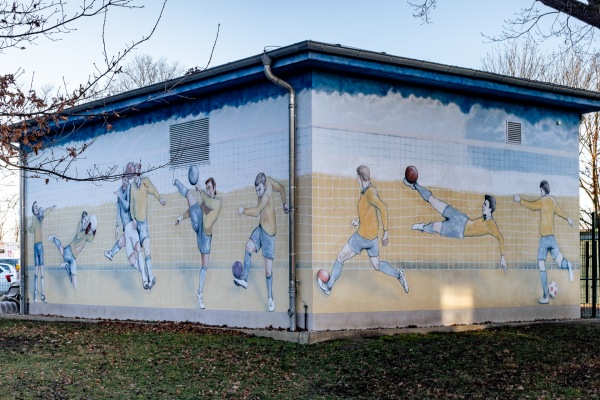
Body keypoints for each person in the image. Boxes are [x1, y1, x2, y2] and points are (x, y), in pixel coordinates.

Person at [317, 165, 409, 296]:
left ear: (360, 177)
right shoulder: (370, 190)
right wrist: (358, 220)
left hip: (361, 237)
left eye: (357, 177)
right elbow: (369, 212)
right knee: (377, 265)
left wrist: (386, 232)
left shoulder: (369, 194)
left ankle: (328, 286)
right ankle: (398, 274)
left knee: (340, 257)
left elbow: (383, 207)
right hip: (372, 239)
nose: (356, 180)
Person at [405, 176, 507, 273]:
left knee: (434, 226)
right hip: (461, 218)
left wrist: (502, 257)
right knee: (433, 201)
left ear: (490, 209)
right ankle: (415, 185)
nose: (482, 206)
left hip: (459, 231)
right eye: (483, 204)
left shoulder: (491, 225)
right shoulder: (485, 218)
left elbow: (501, 238)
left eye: (485, 205)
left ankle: (423, 227)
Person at [514, 180, 574, 304]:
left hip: (544, 240)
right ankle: (568, 264)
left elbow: (532, 205)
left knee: (541, 265)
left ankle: (546, 296)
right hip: (552, 239)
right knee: (560, 263)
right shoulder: (552, 201)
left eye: (540, 189)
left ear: (542, 189)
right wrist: (568, 218)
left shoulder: (543, 200)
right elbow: (559, 211)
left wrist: (520, 200)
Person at [235, 172, 288, 312]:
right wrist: (284, 204)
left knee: (268, 271)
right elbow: (282, 188)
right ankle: (244, 279)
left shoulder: (265, 197)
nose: (258, 192)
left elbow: (256, 211)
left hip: (269, 234)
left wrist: (243, 210)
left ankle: (270, 298)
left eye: (259, 189)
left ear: (264, 186)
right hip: (261, 227)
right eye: (256, 189)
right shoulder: (268, 181)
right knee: (248, 247)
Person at [174, 172, 222, 309]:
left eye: (209, 187)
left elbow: (209, 202)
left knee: (204, 265)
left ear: (214, 188)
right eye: (206, 187)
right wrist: (181, 217)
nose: (208, 189)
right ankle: (176, 181)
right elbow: (193, 210)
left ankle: (199, 293)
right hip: (199, 225)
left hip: (205, 237)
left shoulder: (217, 202)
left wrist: (201, 191)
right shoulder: (205, 200)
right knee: (189, 195)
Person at [104, 162, 147, 289]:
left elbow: (127, 205)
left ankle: (145, 278)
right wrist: (117, 226)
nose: (125, 182)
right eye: (124, 180)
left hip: (131, 226)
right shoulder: (119, 190)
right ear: (122, 178)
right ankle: (146, 277)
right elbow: (118, 209)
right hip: (125, 228)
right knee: (132, 260)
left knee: (137, 250)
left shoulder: (128, 189)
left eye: (126, 180)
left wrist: (119, 196)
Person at [130, 162, 166, 291]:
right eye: (132, 175)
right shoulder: (132, 187)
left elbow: (154, 190)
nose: (133, 176)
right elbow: (131, 205)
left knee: (147, 251)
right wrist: (133, 218)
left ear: (139, 173)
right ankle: (145, 280)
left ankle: (151, 276)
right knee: (139, 253)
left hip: (143, 223)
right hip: (136, 225)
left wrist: (160, 198)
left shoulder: (146, 182)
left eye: (135, 173)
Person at [48, 212, 97, 290]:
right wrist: (86, 230)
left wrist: (94, 230)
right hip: (69, 251)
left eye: (87, 220)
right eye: (84, 220)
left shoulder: (86, 235)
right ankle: (53, 238)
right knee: (62, 251)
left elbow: (90, 239)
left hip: (73, 257)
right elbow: (78, 236)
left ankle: (67, 268)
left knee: (73, 277)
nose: (86, 222)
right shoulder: (80, 227)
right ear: (82, 220)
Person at [28, 201, 56, 303]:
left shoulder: (40, 217)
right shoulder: (33, 218)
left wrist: (51, 207)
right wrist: (29, 226)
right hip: (36, 247)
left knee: (42, 272)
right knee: (36, 273)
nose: (36, 208)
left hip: (40, 245)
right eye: (35, 207)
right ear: (33, 210)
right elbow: (31, 230)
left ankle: (43, 294)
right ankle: (36, 294)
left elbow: (44, 212)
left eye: (36, 207)